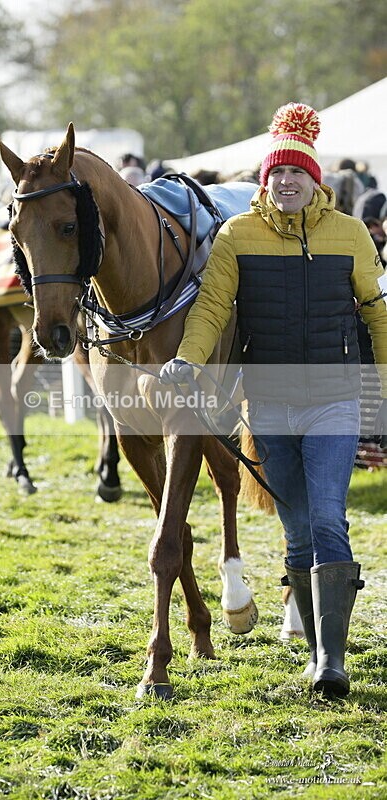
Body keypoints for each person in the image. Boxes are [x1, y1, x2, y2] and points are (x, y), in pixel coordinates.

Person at [160, 102, 387, 698]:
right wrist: (188, 360)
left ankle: (332, 662)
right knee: (297, 529)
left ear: (315, 180)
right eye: (277, 173)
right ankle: (314, 650)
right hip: (266, 406)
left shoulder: (350, 234)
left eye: (296, 173)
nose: (286, 181)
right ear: (265, 180)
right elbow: (212, 307)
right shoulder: (237, 235)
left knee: (327, 517)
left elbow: (376, 312)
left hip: (334, 400)